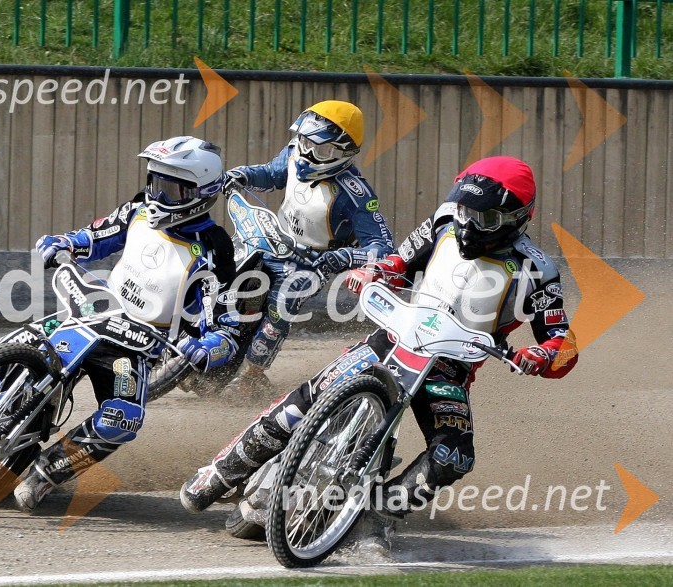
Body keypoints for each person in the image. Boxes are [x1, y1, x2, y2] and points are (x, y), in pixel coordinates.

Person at [180, 155, 579, 517]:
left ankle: (373, 514)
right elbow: (399, 261)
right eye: (464, 210)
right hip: (393, 337)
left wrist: (540, 356)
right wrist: (376, 271)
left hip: (447, 371)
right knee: (307, 398)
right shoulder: (443, 220)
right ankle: (219, 472)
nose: (468, 225)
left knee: (452, 457)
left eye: (485, 219)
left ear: (518, 217)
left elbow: (562, 342)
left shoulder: (538, 270)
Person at [0, 136, 240, 513]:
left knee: (123, 418)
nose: (157, 195)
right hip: (92, 312)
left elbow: (227, 324)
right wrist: (66, 242)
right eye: (154, 182)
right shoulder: (138, 210)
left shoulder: (215, 248)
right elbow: (97, 236)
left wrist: (209, 346)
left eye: (171, 188)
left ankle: (46, 472)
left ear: (202, 192)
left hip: (136, 346)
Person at [221, 100, 394, 399]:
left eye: (323, 150)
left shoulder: (357, 195)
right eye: (304, 141)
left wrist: (342, 258)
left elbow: (383, 247)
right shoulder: (293, 152)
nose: (308, 154)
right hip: (269, 237)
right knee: (219, 269)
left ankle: (251, 375)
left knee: (282, 304)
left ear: (346, 152)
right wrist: (244, 175)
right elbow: (271, 174)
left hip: (310, 263)